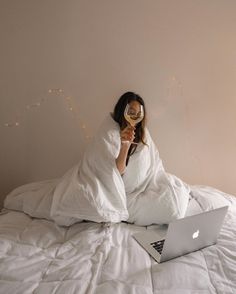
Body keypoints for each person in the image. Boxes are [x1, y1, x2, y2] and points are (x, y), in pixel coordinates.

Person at [112, 91, 147, 175]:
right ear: (122, 111)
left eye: (139, 115)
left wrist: (127, 144)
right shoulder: (111, 132)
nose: (134, 118)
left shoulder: (140, 134)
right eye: (131, 113)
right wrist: (125, 145)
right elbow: (117, 172)